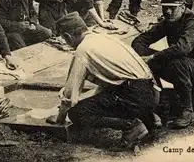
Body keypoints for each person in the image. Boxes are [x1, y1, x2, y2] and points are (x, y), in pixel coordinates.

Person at [46, 12, 160, 150]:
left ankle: (131, 127)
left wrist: (60, 119)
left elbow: (70, 95)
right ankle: (148, 117)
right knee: (107, 97)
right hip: (151, 92)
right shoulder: (102, 38)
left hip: (135, 96)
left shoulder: (83, 50)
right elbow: (109, 84)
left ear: (68, 36)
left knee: (77, 113)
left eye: (64, 39)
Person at [131, 0, 194, 129]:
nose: (168, 11)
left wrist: (153, 57)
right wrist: (142, 55)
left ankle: (188, 111)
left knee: (176, 61)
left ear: (182, 7)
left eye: (172, 8)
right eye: (165, 8)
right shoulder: (168, 21)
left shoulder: (193, 21)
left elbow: (183, 48)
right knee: (149, 57)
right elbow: (140, 40)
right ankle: (158, 101)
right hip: (182, 70)